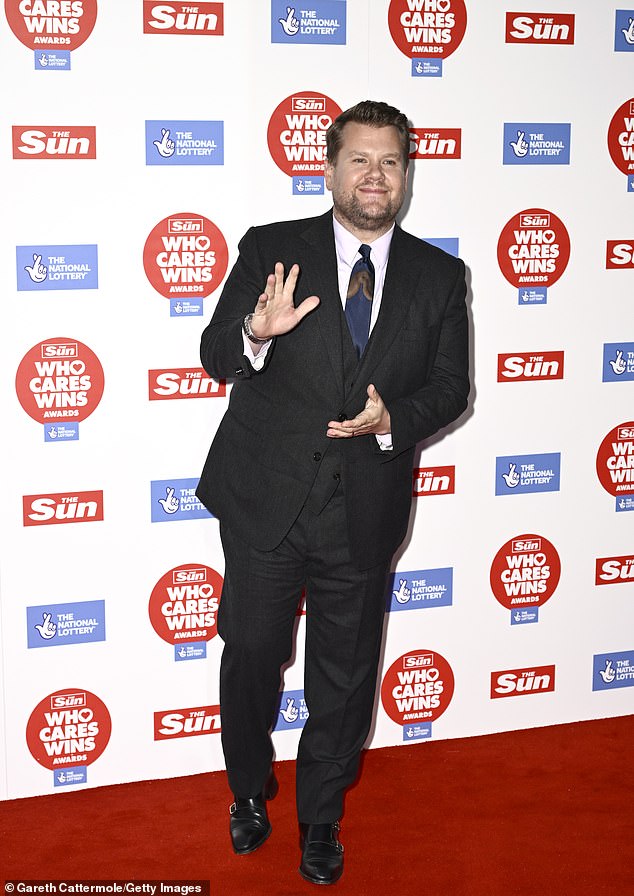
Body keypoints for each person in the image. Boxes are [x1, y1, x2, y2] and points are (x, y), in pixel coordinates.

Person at [196, 99, 470, 885]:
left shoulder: (439, 275)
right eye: (359, 160)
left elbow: (452, 387)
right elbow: (216, 353)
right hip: (266, 503)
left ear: (407, 175)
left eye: (390, 162)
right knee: (251, 652)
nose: (374, 176)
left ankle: (321, 816)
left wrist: (395, 419)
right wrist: (255, 331)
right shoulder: (271, 249)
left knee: (343, 676)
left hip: (365, 505)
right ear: (329, 169)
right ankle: (248, 788)